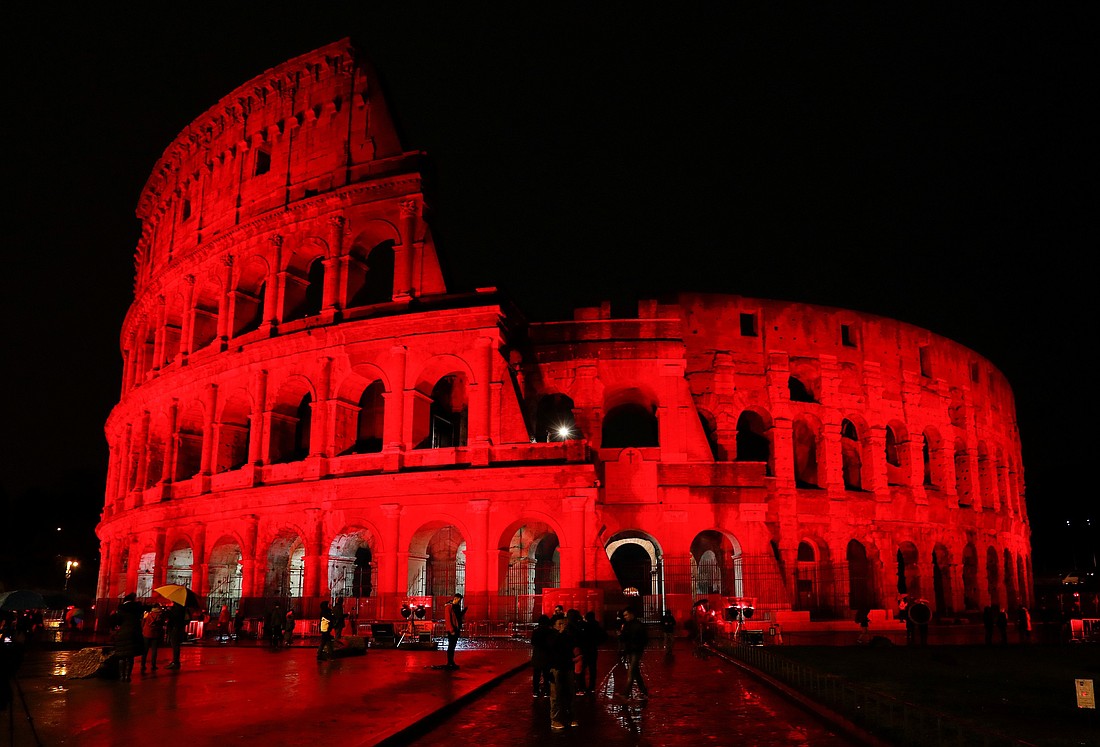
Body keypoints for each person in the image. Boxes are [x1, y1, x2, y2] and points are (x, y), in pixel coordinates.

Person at [549, 613, 582, 730]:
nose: (562, 626)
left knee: (570, 693)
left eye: (563, 623)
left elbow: (573, 644)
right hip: (556, 668)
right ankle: (555, 719)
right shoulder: (552, 635)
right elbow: (551, 647)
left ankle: (571, 717)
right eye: (559, 624)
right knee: (556, 695)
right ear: (554, 625)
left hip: (567, 666)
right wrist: (560, 633)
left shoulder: (567, 635)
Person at [614, 608, 649, 702]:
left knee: (631, 672)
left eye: (626, 615)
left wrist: (623, 636)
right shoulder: (627, 625)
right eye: (624, 615)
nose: (625, 617)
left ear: (632, 614)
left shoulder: (638, 625)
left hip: (636, 651)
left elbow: (643, 639)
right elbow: (624, 638)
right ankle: (644, 691)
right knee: (635, 672)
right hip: (630, 650)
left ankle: (626, 694)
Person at [109, 603, 142, 681]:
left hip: (121, 635)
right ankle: (127, 676)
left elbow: (113, 622)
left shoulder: (120, 615)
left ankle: (121, 676)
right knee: (130, 657)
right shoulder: (134, 616)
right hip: (131, 636)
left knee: (121, 656)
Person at [577, 610, 606, 694]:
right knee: (592, 668)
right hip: (593, 649)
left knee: (583, 668)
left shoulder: (585, 626)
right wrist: (597, 643)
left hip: (585, 649)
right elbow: (604, 636)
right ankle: (592, 686)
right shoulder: (597, 626)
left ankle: (582, 686)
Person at [530, 614, 554, 697]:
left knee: (536, 674)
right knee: (546, 674)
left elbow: (532, 642)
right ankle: (547, 691)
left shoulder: (536, 631)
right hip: (547, 655)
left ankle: (535, 691)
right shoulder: (550, 631)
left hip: (538, 655)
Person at [443, 593, 465, 670]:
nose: (459, 602)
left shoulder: (455, 607)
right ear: (455, 598)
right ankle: (450, 662)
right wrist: (451, 629)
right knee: (451, 646)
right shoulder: (449, 607)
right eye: (459, 600)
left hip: (456, 628)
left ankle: (451, 662)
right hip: (452, 629)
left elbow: (457, 617)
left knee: (453, 646)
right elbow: (448, 619)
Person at [140, 605, 164, 672]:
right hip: (155, 634)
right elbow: (161, 625)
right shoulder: (160, 615)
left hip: (146, 633)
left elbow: (142, 623)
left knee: (145, 650)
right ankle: (153, 665)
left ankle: (143, 664)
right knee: (154, 650)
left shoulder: (147, 614)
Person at [165, 601, 188, 669]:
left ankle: (175, 662)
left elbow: (174, 618)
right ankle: (175, 662)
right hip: (178, 628)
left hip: (175, 628)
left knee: (175, 645)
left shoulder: (177, 609)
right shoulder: (183, 608)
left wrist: (168, 611)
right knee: (176, 645)